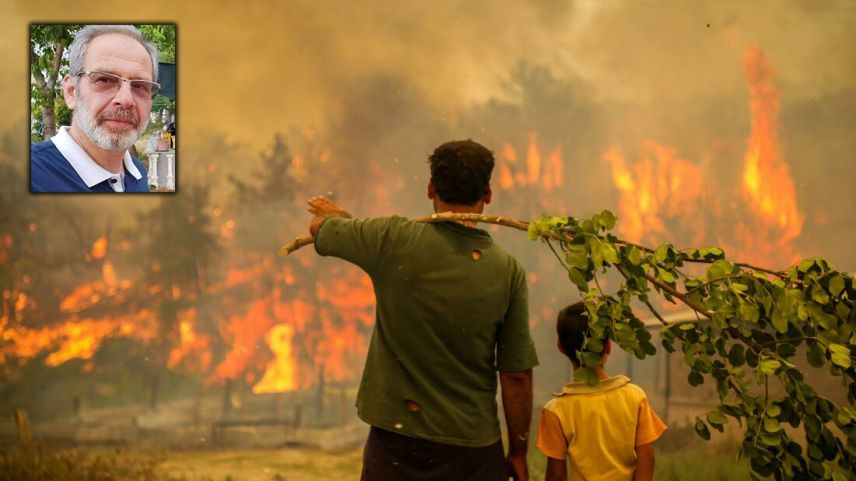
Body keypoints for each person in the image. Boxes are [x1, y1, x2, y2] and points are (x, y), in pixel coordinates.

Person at [307, 139, 539, 481]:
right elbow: (516, 374)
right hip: (472, 451)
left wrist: (337, 219)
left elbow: (319, 230)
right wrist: (518, 452)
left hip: (397, 445)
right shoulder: (507, 271)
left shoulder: (389, 239)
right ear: (488, 195)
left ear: (431, 188)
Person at [536, 302, 667, 481]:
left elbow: (556, 475)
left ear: (561, 347)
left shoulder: (556, 411)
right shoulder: (634, 397)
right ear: (608, 346)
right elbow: (647, 459)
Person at [31, 25, 159, 192]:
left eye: (140, 86)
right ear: (71, 92)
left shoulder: (136, 172)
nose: (126, 100)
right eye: (105, 80)